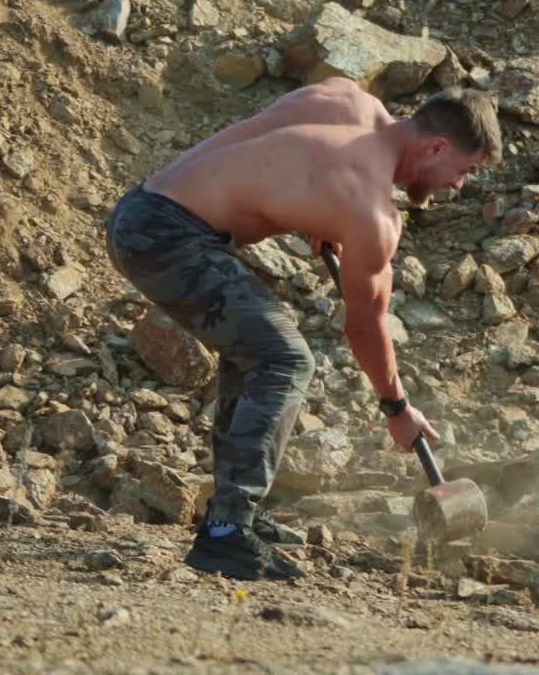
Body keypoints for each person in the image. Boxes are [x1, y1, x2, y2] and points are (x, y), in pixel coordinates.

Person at [105, 81, 502, 581]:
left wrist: (311, 209)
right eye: (464, 171)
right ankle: (226, 535)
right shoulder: (373, 212)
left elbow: (274, 154)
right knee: (285, 359)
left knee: (255, 350)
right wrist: (397, 408)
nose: (459, 184)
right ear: (437, 147)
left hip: (140, 207)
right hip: (167, 239)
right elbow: (365, 325)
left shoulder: (348, 99)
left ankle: (234, 512)